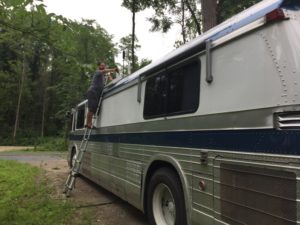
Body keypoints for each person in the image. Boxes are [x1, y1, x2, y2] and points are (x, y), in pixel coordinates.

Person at [85, 62, 118, 128]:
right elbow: (104, 71)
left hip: (97, 93)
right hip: (93, 91)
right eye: (102, 65)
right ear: (99, 66)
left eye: (104, 65)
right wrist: (113, 70)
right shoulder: (98, 72)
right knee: (91, 108)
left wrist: (109, 76)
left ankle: (89, 123)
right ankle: (88, 124)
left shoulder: (102, 77)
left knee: (94, 108)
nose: (103, 66)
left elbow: (112, 81)